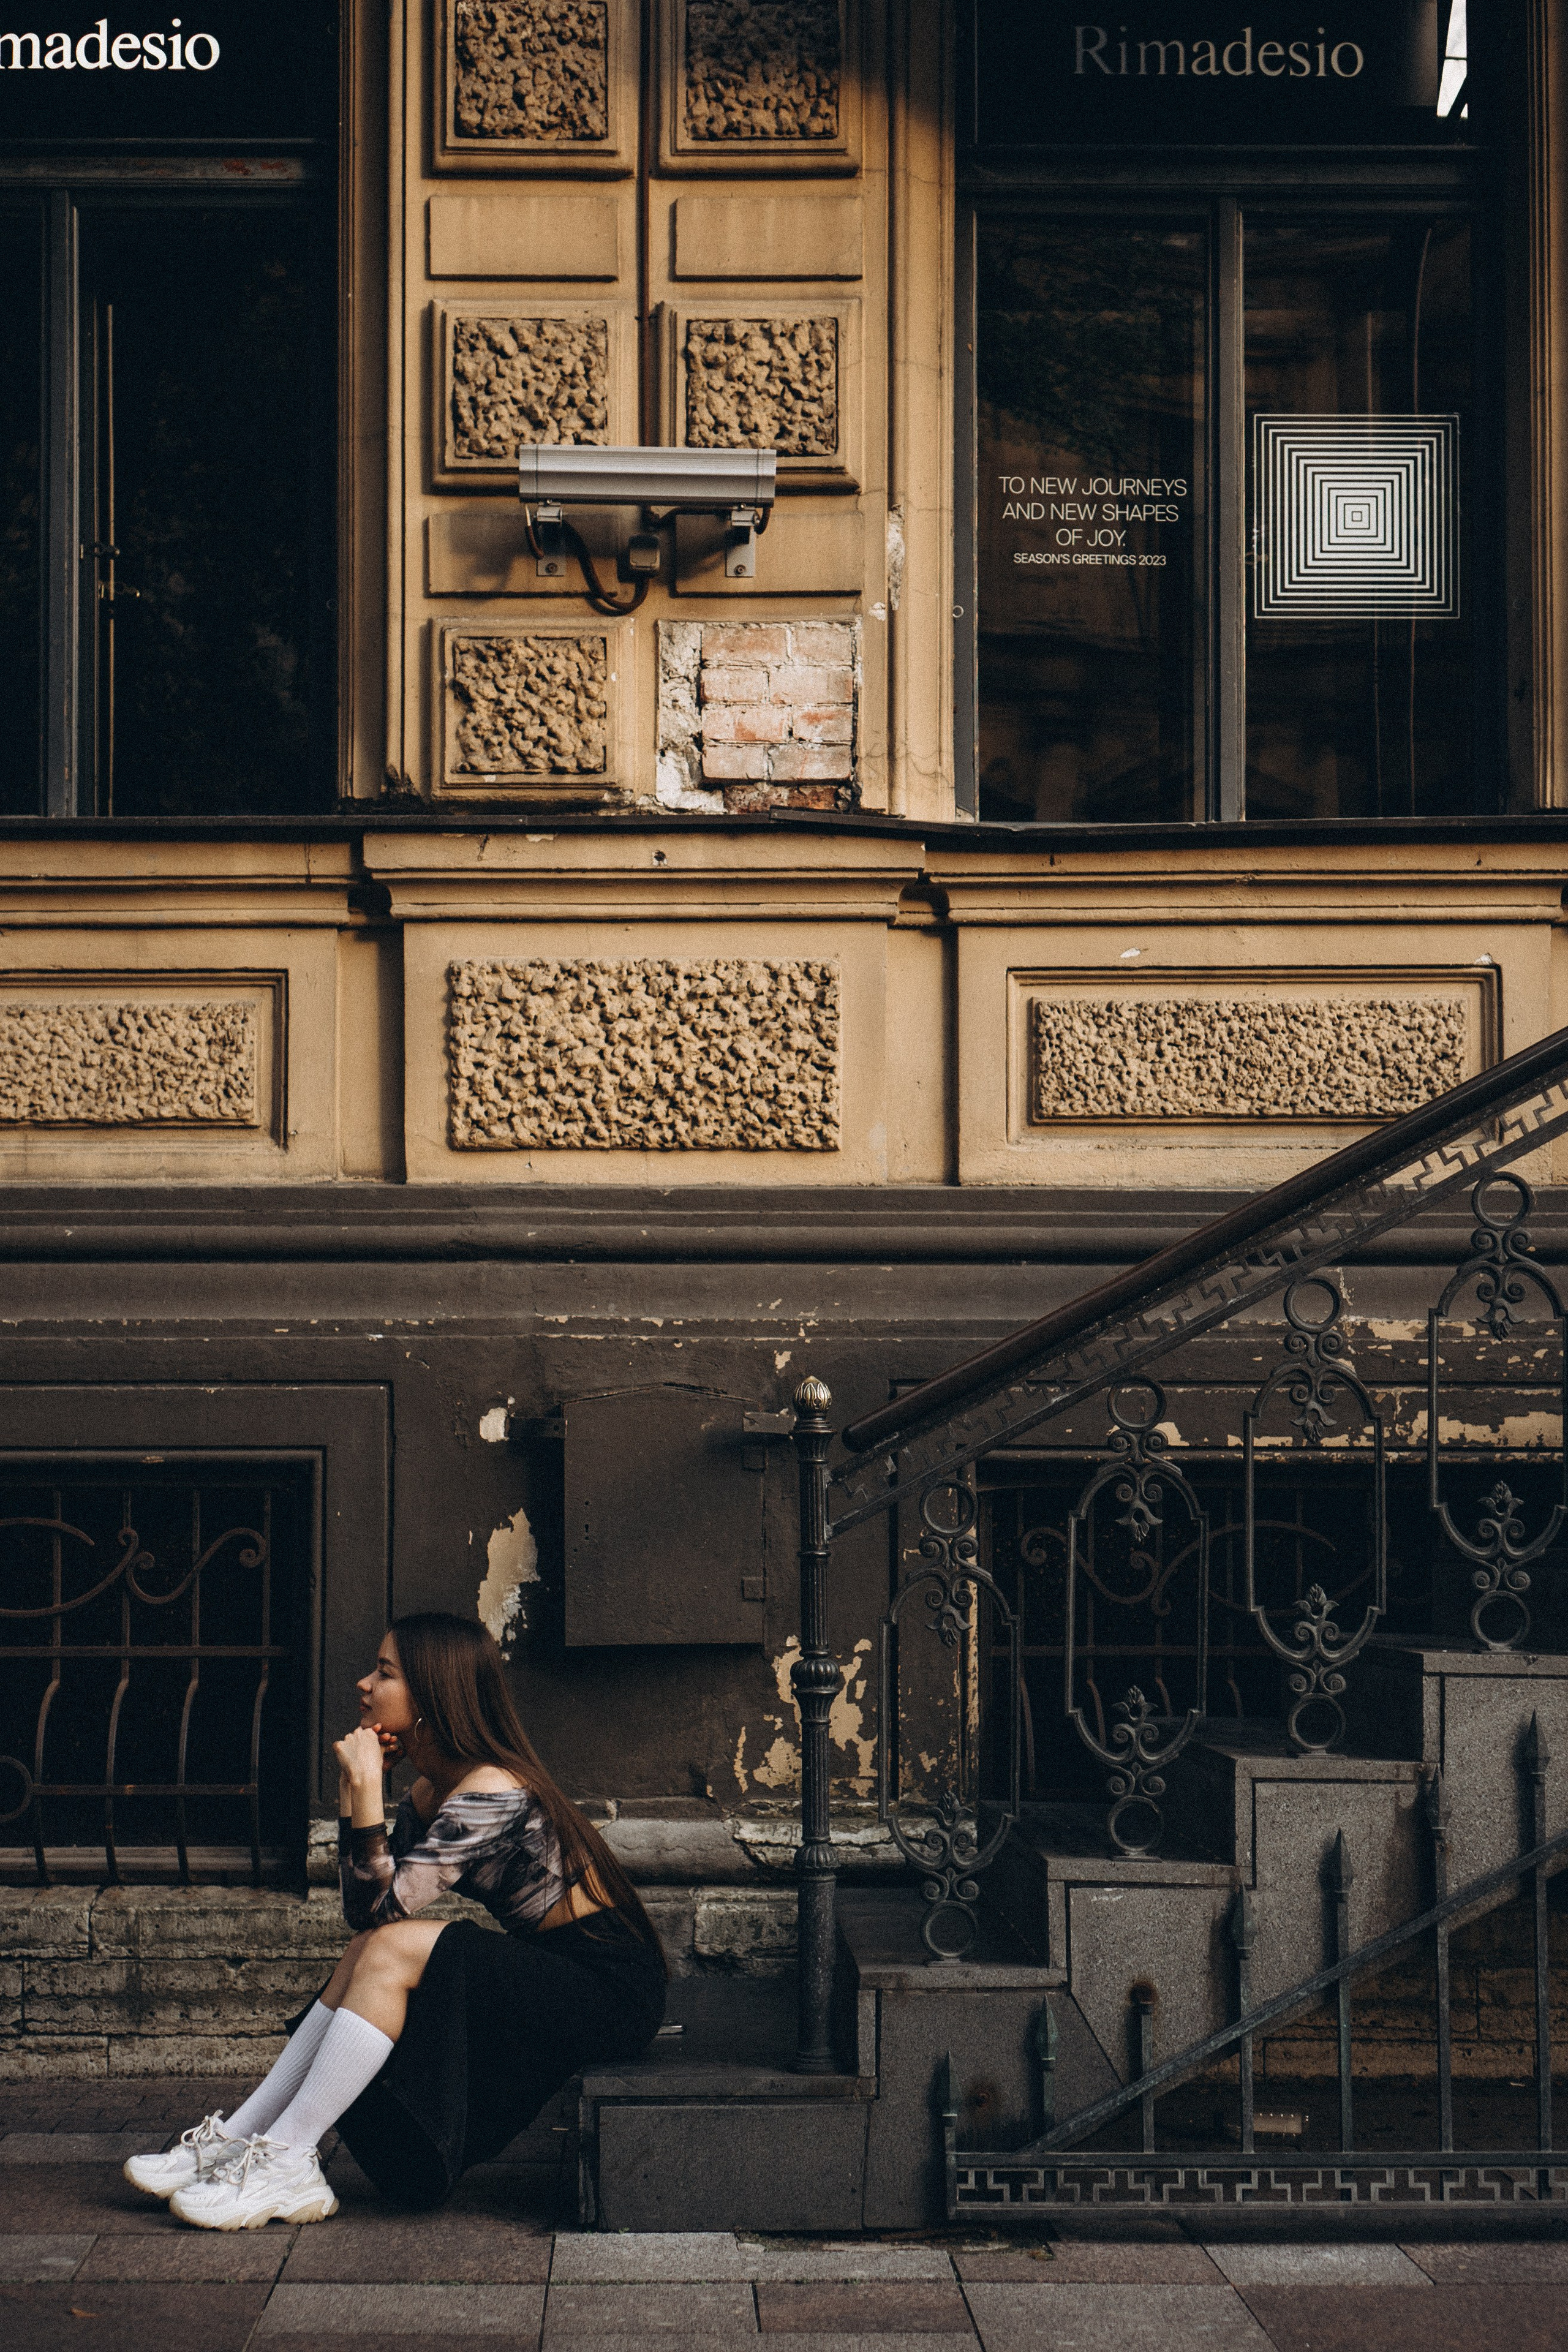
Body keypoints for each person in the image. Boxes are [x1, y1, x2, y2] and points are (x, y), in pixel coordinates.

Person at [122, 1610, 666, 2228]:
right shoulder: (432, 1793)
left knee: (392, 1946)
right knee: (372, 1948)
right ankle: (241, 2138)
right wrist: (358, 1792)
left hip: (609, 1989)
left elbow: (383, 1911)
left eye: (384, 1672)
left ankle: (290, 2158)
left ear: (433, 1695)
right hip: (553, 1970)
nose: (364, 1684)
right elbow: (368, 1915)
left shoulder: (494, 1791)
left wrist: (365, 1788)